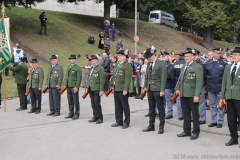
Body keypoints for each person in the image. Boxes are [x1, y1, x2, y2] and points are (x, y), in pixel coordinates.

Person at [176, 48, 203, 140]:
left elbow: (199, 82)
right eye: (185, 56)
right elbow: (180, 79)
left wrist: (196, 95)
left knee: (195, 114)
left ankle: (196, 132)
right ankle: (186, 131)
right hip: (183, 93)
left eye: (188, 56)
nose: (186, 58)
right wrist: (178, 88)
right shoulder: (183, 66)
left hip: (192, 94)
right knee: (186, 113)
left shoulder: (197, 67)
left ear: (192, 57)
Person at [142, 46, 167, 134]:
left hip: (157, 88)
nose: (148, 58)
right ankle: (151, 125)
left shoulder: (161, 63)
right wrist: (145, 86)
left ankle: (161, 127)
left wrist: (162, 90)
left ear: (154, 55)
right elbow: (147, 76)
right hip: (150, 88)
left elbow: (163, 77)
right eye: (148, 57)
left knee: (160, 109)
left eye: (149, 57)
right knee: (151, 109)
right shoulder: (149, 63)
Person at [220, 47, 240, 147]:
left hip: (239, 97)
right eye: (233, 55)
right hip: (229, 97)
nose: (234, 56)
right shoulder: (228, 67)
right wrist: (223, 96)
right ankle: (234, 138)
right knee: (231, 119)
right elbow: (224, 82)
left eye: (236, 55)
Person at [110, 49, 132, 129]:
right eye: (117, 56)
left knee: (125, 106)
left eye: (119, 56)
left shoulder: (127, 65)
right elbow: (114, 76)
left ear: (123, 57)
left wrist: (125, 89)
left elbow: (127, 79)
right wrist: (112, 85)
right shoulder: (117, 65)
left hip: (122, 89)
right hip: (116, 88)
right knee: (117, 106)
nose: (118, 57)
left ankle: (126, 122)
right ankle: (118, 121)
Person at [205, 48, 226, 128]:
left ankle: (220, 121)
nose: (219, 54)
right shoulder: (208, 63)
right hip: (211, 88)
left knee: (220, 105)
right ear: (213, 53)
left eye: (220, 53)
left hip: (220, 87)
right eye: (217, 53)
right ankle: (214, 121)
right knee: (212, 105)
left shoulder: (223, 63)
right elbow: (205, 75)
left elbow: (225, 76)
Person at [87, 55, 105, 124]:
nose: (93, 62)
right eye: (92, 61)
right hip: (91, 88)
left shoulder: (100, 68)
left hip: (97, 88)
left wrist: (101, 90)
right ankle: (95, 116)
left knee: (97, 103)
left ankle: (100, 118)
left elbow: (102, 80)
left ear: (97, 61)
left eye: (94, 61)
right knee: (93, 103)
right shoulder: (92, 69)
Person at [65, 54, 82, 120]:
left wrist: (76, 86)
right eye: (71, 59)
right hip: (69, 86)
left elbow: (79, 78)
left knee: (75, 100)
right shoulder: (69, 66)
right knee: (70, 100)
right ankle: (71, 112)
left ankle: (77, 113)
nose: (72, 60)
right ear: (70, 60)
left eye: (74, 59)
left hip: (74, 86)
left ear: (75, 60)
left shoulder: (78, 68)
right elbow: (67, 76)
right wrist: (66, 84)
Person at [193, 49, 206, 125]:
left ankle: (202, 118)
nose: (194, 57)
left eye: (195, 55)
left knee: (201, 102)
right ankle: (195, 116)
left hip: (200, 85)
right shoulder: (192, 64)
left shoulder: (201, 64)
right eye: (193, 55)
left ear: (198, 56)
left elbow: (204, 76)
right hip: (193, 86)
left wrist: (203, 85)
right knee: (193, 102)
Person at [161, 51, 175, 119]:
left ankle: (170, 113)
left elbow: (170, 75)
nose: (163, 57)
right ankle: (162, 112)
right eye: (162, 56)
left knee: (168, 99)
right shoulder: (161, 64)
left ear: (168, 57)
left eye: (164, 56)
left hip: (167, 84)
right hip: (162, 85)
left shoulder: (170, 65)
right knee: (162, 99)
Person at [172, 51, 185, 120]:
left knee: (179, 100)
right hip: (185, 84)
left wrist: (174, 84)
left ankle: (180, 115)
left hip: (177, 83)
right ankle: (186, 114)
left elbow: (172, 75)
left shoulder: (175, 64)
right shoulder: (187, 64)